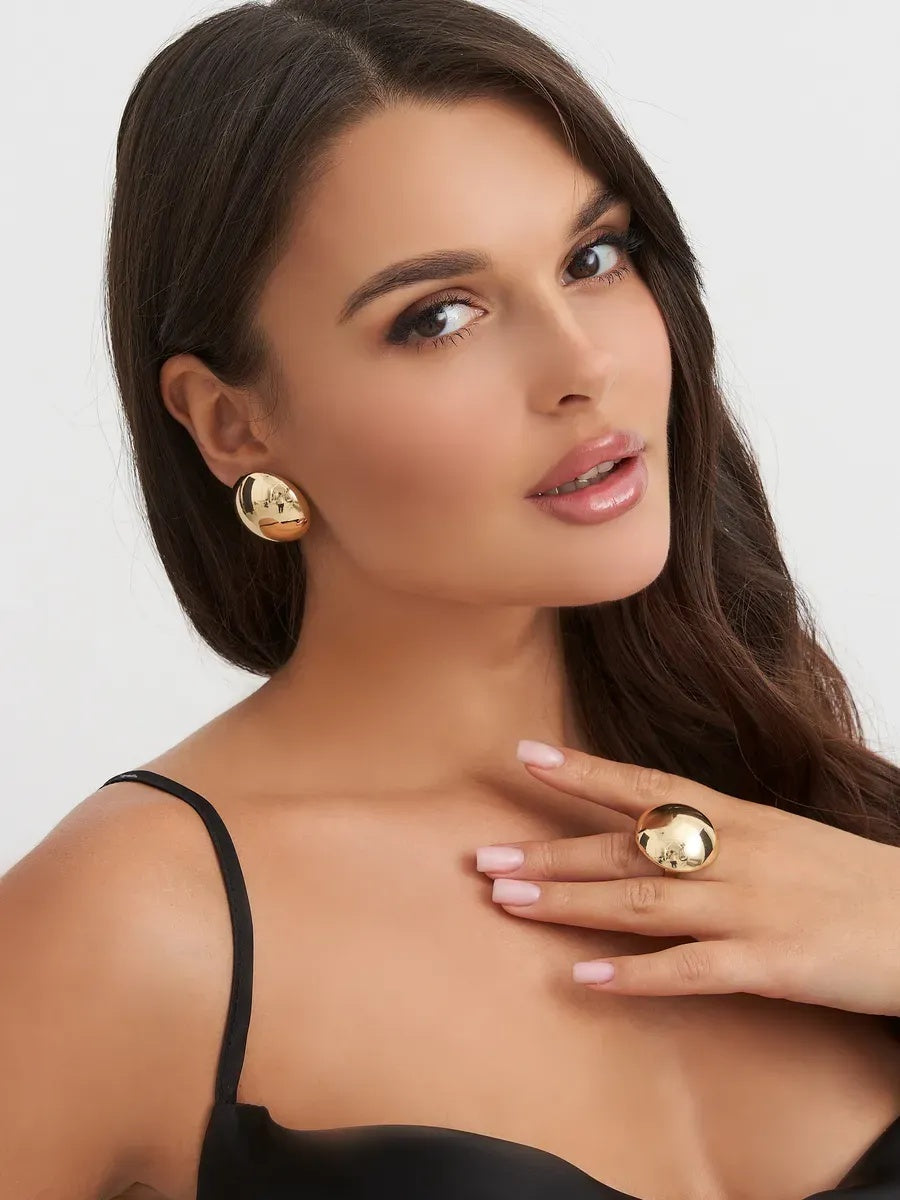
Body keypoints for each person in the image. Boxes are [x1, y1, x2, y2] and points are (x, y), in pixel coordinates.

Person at [3, 1, 900, 1197]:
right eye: (437, 317)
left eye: (593, 259)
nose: (582, 365)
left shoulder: (820, 820)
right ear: (232, 424)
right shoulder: (129, 928)